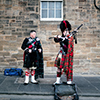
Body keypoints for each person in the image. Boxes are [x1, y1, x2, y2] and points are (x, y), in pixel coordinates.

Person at [54, 20, 74, 85]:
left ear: (68, 31)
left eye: (65, 31)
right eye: (63, 31)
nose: (64, 32)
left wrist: (63, 39)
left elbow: (68, 43)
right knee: (59, 67)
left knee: (68, 68)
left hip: (68, 55)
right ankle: (58, 80)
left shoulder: (70, 37)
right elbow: (56, 40)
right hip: (61, 54)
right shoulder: (62, 37)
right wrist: (56, 37)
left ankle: (69, 80)